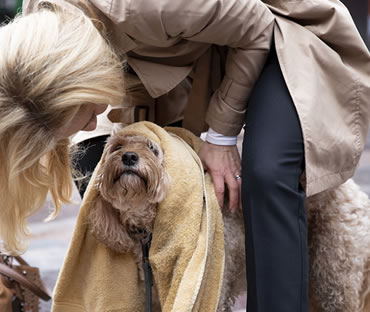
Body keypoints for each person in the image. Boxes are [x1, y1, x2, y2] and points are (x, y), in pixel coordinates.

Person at [0, 0, 369, 311]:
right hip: (192, 49)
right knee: (91, 156)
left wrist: (221, 136)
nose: (96, 118)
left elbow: (256, 26)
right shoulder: (39, 30)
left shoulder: (141, 5)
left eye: (86, 111)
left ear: (78, 81)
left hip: (279, 32)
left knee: (266, 170)